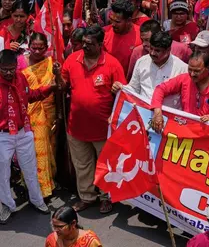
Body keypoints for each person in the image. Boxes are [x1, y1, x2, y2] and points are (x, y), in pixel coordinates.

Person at [60, 25, 126, 214]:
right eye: (84, 43)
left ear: (100, 45)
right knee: (82, 165)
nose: (85, 47)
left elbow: (123, 95)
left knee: (105, 165)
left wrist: (118, 89)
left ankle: (107, 197)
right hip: (77, 127)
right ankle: (87, 197)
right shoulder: (72, 59)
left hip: (103, 129)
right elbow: (63, 86)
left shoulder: (112, 64)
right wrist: (58, 76)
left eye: (90, 44)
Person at [0, 49, 52, 223]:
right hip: (3, 136)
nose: (8, 72)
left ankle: (37, 201)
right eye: (4, 69)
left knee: (30, 169)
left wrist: (49, 88)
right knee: (3, 173)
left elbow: (32, 95)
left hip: (23, 132)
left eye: (11, 68)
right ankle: (7, 205)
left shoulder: (21, 78)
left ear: (16, 66)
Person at [151, 52, 209, 131]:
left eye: (197, 71)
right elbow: (160, 89)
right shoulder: (184, 79)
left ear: (207, 68)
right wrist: (157, 111)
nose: (192, 74)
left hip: (207, 136)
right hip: (186, 131)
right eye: (190, 69)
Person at [21, 33, 57, 198]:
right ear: (29, 46)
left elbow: (59, 88)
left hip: (49, 111)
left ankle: (49, 181)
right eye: (33, 47)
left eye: (40, 48)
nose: (36, 51)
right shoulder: (21, 62)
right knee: (34, 150)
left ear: (46, 47)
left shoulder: (51, 63)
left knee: (49, 148)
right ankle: (40, 188)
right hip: (30, 112)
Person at [115, 31, 188, 107]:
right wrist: (121, 88)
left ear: (168, 50)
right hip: (144, 113)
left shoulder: (182, 68)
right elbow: (134, 88)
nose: (152, 53)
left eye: (157, 50)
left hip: (168, 115)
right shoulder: (141, 62)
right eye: (151, 48)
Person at [126, 20, 192, 79]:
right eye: (142, 40)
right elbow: (131, 80)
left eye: (147, 40)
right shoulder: (137, 52)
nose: (144, 44)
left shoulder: (182, 49)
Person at [103, 0, 142, 72]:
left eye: (117, 21)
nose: (113, 24)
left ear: (129, 20)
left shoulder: (141, 37)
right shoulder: (104, 33)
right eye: (111, 19)